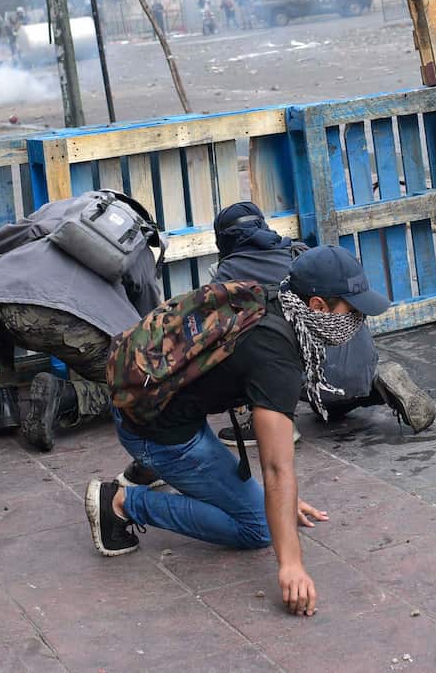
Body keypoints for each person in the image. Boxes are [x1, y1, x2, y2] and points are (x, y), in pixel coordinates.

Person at [88, 246, 391, 616]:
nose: (358, 320)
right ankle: (121, 503)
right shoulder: (275, 358)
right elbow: (276, 468)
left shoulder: (271, 300)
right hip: (156, 431)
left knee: (264, 503)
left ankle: (154, 470)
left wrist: (280, 500)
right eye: (352, 310)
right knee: (256, 527)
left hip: (155, 406)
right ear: (318, 306)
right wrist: (291, 564)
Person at [207, 202, 434, 442]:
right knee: (326, 401)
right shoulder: (301, 252)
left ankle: (275, 419)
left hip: (309, 372)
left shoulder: (229, 272)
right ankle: (373, 386)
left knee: (248, 338)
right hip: (360, 367)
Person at [0, 192, 163, 452]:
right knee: (143, 385)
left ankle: (4, 403)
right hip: (75, 330)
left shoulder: (66, 209)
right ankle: (67, 398)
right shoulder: (137, 244)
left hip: (11, 310)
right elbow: (148, 324)